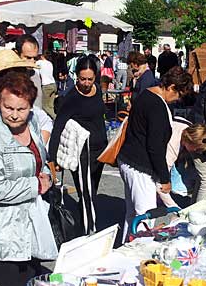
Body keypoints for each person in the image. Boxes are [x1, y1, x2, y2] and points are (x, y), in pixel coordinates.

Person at [0, 71, 55, 286]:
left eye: (21, 109)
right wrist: (35, 185)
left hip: (30, 223)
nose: (15, 115)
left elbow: (40, 158)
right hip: (2, 232)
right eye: (8, 108)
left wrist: (46, 174)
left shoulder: (33, 121)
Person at [118, 66, 193, 240]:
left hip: (129, 160)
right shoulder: (157, 106)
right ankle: (140, 255)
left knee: (132, 215)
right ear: (172, 87)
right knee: (145, 217)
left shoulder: (146, 94)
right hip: (139, 166)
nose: (177, 100)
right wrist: (165, 179)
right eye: (178, 95)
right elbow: (155, 147)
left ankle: (126, 247)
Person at [49, 56, 107, 235]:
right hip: (83, 151)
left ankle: (87, 225)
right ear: (76, 76)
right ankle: (90, 233)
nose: (87, 83)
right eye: (83, 79)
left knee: (92, 192)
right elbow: (58, 127)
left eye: (90, 79)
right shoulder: (71, 98)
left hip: (100, 151)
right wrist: (52, 158)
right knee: (86, 194)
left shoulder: (97, 90)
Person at [36, 53, 57, 118]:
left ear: (42, 56)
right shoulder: (50, 63)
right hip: (53, 84)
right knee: (51, 106)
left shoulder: (39, 62)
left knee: (45, 106)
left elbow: (35, 70)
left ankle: (56, 118)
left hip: (46, 86)